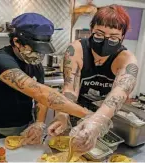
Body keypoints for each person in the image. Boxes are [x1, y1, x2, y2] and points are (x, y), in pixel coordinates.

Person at [0, 13, 90, 143]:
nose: (39, 56)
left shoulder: (35, 64)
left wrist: (39, 123)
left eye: (42, 51)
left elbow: (40, 99)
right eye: (35, 50)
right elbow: (40, 93)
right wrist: (89, 116)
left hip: (26, 123)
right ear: (16, 42)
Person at [48, 5, 138, 152]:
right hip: (75, 111)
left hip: (104, 116)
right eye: (99, 34)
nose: (105, 41)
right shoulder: (76, 50)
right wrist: (63, 114)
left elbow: (117, 95)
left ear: (122, 37)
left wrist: (96, 122)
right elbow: (70, 89)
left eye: (113, 37)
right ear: (91, 30)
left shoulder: (127, 60)